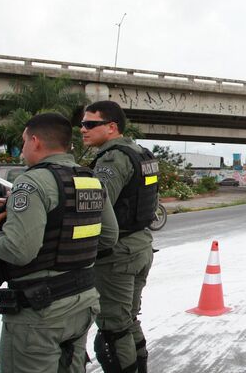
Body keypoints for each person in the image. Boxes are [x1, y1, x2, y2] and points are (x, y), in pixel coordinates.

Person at [0, 112, 118, 372]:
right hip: (82, 301)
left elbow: (19, 252)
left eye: (24, 141)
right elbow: (109, 236)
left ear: (36, 141)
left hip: (41, 311)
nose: (22, 150)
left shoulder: (31, 182)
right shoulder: (90, 179)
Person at [81, 101, 158, 373]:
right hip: (140, 246)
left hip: (118, 255)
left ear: (111, 127)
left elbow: (97, 208)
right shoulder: (142, 153)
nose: (83, 129)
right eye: (82, 124)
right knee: (128, 320)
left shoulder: (113, 158)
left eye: (90, 124)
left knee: (113, 329)